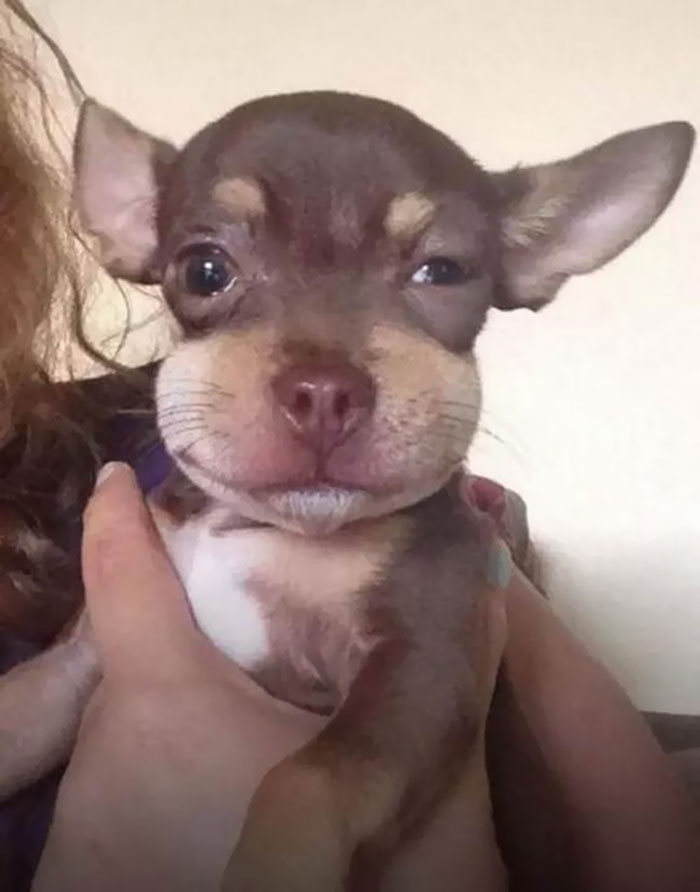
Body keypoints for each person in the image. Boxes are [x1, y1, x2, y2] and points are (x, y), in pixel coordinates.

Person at [0, 2, 696, 891]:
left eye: (435, 270)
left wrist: (308, 817)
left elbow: (651, 841)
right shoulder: (151, 506)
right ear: (132, 228)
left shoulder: (427, 543)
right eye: (212, 272)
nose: (321, 385)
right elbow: (61, 686)